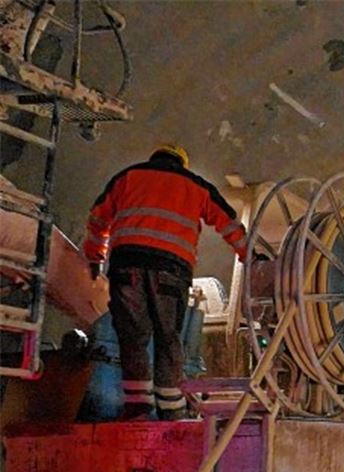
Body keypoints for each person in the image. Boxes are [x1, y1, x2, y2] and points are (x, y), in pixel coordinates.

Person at [82, 144, 247, 420]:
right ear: (181, 163)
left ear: (154, 158)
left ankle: (137, 407)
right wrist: (252, 256)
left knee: (133, 337)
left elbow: (98, 219)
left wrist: (94, 257)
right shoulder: (195, 185)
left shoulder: (128, 177)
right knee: (168, 336)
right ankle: (171, 410)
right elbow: (228, 223)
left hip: (127, 266)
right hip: (170, 271)